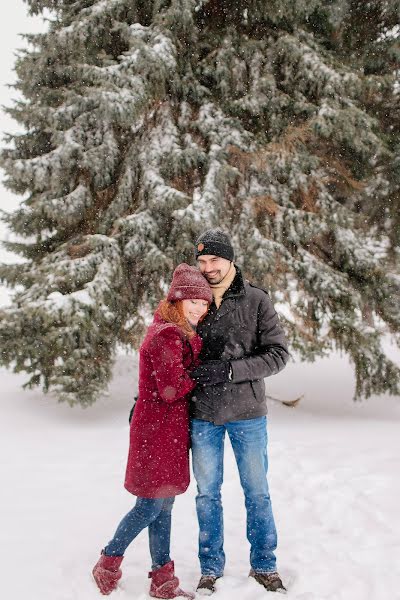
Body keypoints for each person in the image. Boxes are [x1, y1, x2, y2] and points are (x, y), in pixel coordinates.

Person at [92, 264, 212, 599]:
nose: (200, 309)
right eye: (193, 302)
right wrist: (204, 375)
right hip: (157, 432)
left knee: (165, 506)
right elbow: (171, 388)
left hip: (169, 431)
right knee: (149, 506)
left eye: (204, 303)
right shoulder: (167, 335)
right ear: (177, 300)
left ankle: (162, 577)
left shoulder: (176, 331)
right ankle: (108, 561)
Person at [189, 229, 290, 595]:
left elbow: (278, 355)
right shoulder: (191, 299)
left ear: (230, 259)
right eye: (201, 261)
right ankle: (209, 568)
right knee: (206, 493)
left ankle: (264, 564)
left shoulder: (255, 299)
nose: (208, 268)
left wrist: (231, 370)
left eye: (214, 260)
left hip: (248, 412)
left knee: (257, 491)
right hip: (203, 414)